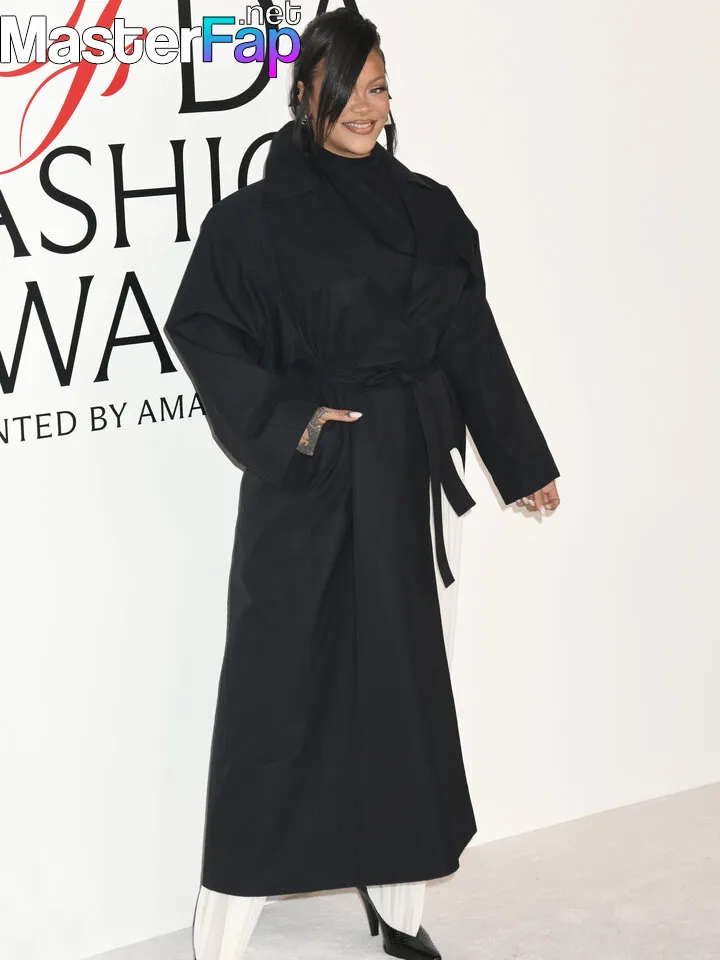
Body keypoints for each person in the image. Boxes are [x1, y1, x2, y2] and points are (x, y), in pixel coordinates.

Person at [164, 9, 561, 960]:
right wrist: (296, 420)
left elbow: (469, 338)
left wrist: (522, 460)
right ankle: (222, 931)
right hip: (309, 477)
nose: (367, 107)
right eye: (349, 88)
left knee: (400, 696)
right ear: (306, 90)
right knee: (276, 695)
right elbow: (204, 331)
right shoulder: (252, 222)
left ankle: (400, 909)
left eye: (379, 87)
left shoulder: (430, 209)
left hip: (407, 476)